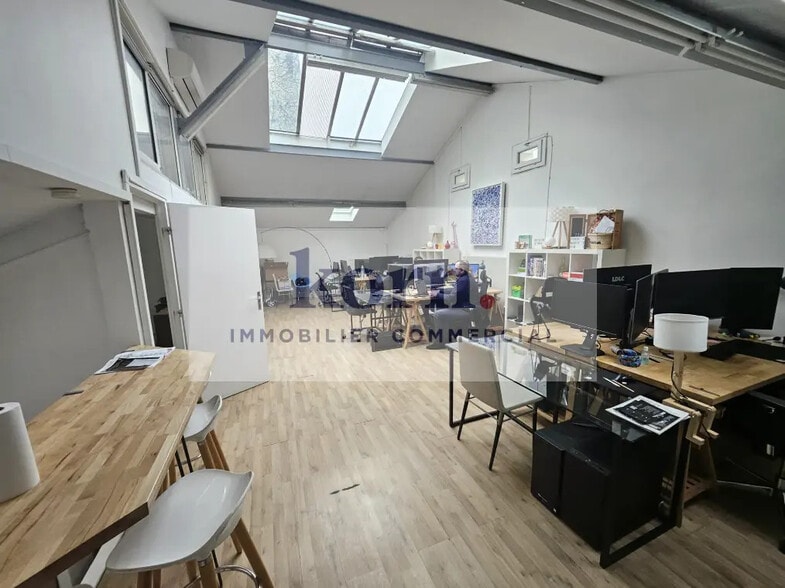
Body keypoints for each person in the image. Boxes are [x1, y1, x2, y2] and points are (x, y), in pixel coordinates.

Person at [426, 260, 479, 350]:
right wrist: (440, 291)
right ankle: (445, 338)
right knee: (441, 307)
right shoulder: (467, 277)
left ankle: (440, 342)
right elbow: (455, 291)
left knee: (438, 314)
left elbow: (451, 298)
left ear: (461, 270)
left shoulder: (463, 280)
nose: (454, 270)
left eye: (456, 269)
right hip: (466, 307)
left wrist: (437, 294)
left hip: (464, 310)